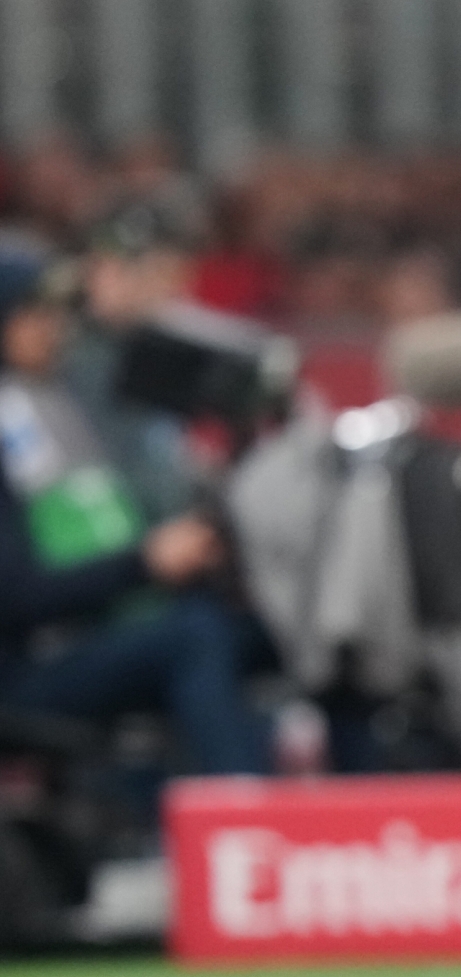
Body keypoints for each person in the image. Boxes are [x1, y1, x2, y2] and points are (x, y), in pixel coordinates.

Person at [0, 278, 266, 776]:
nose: (53, 330)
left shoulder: (69, 404)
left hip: (109, 621)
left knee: (262, 632)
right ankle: (237, 810)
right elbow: (18, 596)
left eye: (55, 315)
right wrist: (144, 564)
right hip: (32, 663)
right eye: (32, 315)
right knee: (194, 636)